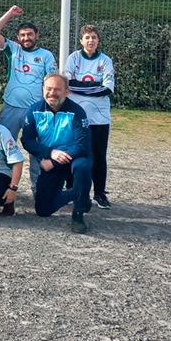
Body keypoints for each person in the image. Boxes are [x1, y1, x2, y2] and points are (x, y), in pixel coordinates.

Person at [0, 5, 57, 193]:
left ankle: (38, 189)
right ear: (18, 37)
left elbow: (51, 81)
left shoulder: (46, 55)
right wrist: (10, 13)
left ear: (37, 35)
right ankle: (3, 186)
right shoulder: (13, 50)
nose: (26, 38)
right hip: (11, 108)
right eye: (23, 35)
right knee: (3, 149)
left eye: (29, 34)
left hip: (35, 111)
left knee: (37, 152)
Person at [21, 72, 93, 234]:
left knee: (83, 165)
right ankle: (78, 194)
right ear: (42, 90)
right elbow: (27, 140)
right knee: (43, 210)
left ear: (67, 92)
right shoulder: (34, 111)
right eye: (49, 89)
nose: (52, 93)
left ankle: (78, 213)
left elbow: (83, 146)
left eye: (57, 89)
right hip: (51, 158)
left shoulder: (77, 112)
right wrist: (50, 153)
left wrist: (52, 161)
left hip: (75, 157)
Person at [64, 24, 115, 209]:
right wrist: (94, 85)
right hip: (75, 115)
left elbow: (107, 88)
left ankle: (99, 194)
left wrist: (79, 87)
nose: (91, 40)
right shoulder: (74, 58)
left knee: (99, 156)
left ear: (98, 40)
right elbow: (67, 83)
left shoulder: (106, 60)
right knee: (72, 152)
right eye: (87, 37)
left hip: (99, 117)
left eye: (94, 37)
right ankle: (70, 189)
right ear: (81, 41)